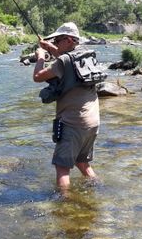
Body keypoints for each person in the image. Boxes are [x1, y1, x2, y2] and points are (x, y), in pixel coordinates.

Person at [32, 22, 100, 193]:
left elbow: (38, 77)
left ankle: (65, 206)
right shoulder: (86, 56)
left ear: (69, 40)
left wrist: (41, 56)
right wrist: (51, 47)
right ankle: (97, 189)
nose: (55, 43)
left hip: (73, 122)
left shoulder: (62, 62)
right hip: (92, 122)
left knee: (62, 168)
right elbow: (67, 59)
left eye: (57, 40)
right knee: (82, 162)